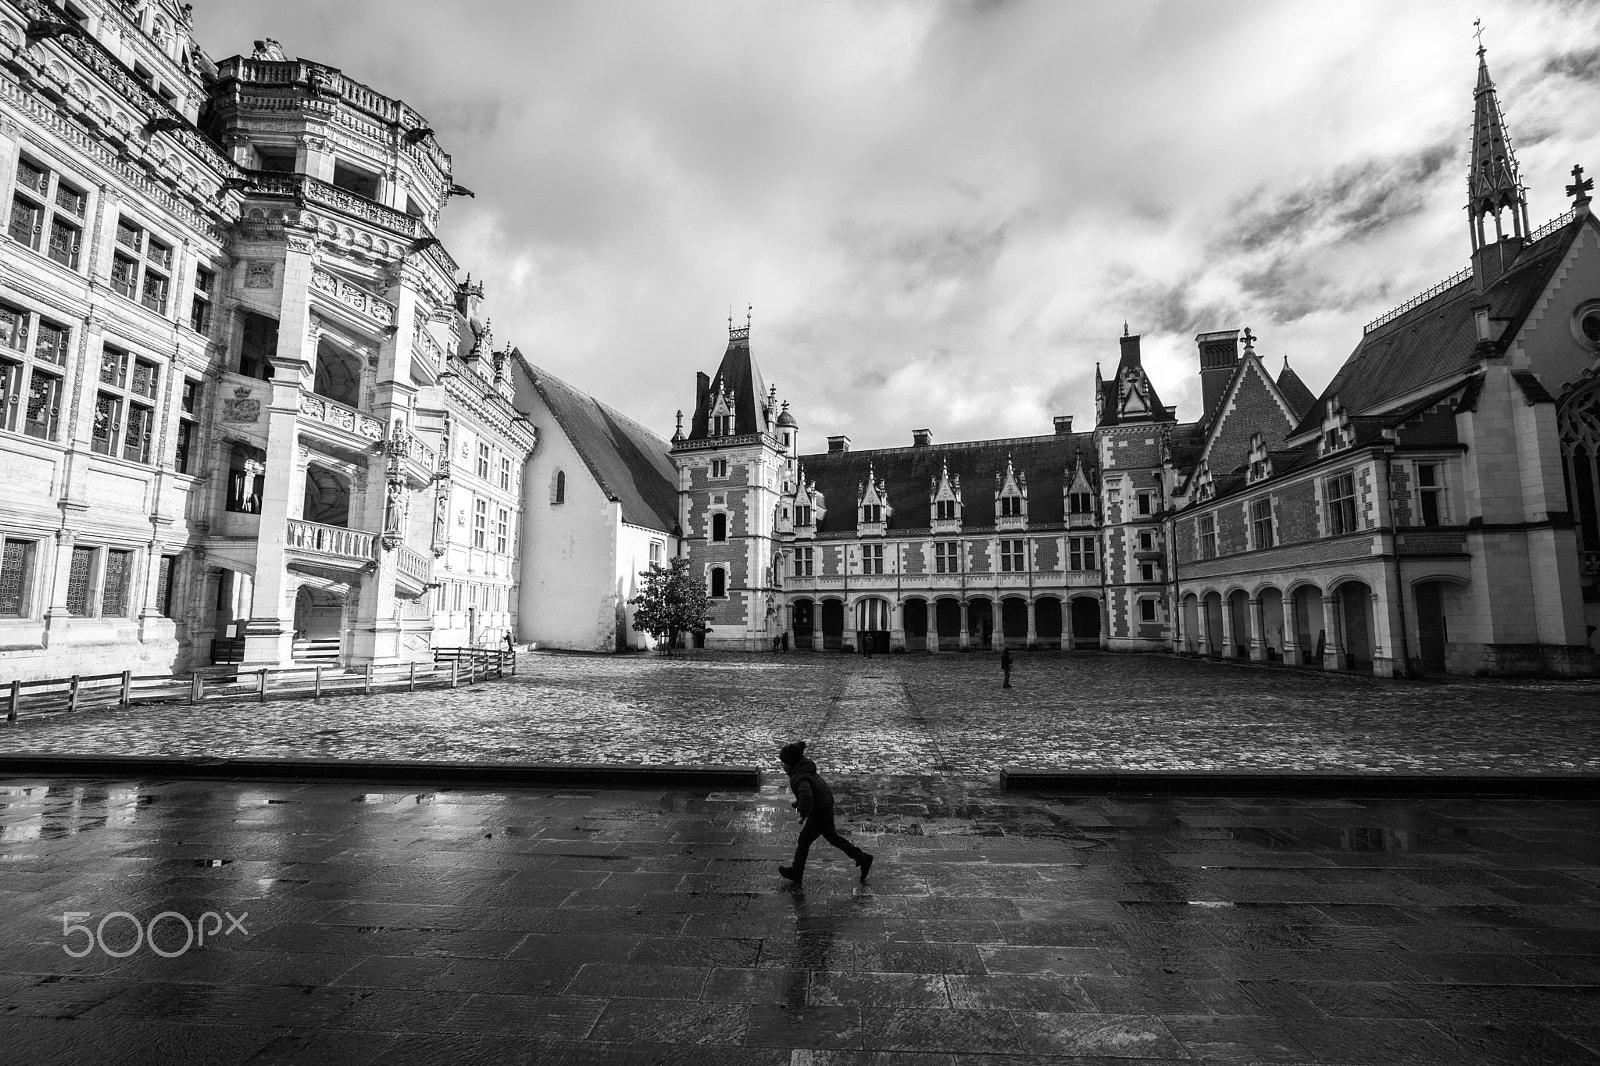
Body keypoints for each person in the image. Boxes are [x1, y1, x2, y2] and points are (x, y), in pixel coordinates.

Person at [777, 741, 872, 885]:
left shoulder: (798, 776)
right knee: (832, 837)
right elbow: (811, 791)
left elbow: (806, 794)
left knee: (804, 840)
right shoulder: (804, 769)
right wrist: (800, 803)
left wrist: (803, 813)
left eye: (783, 762)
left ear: (791, 762)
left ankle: (797, 872)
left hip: (819, 811)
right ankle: (862, 857)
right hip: (824, 805)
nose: (782, 765)